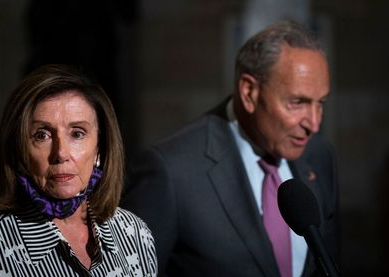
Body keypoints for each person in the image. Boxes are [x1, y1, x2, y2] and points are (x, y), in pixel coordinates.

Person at [121, 20, 340, 277]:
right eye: (298, 102)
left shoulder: (320, 156)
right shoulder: (170, 171)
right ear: (249, 93)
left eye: (320, 103)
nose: (314, 123)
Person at [0, 64, 157, 276]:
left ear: (100, 147)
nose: (60, 153)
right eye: (42, 135)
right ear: (19, 149)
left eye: (77, 134)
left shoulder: (134, 234)